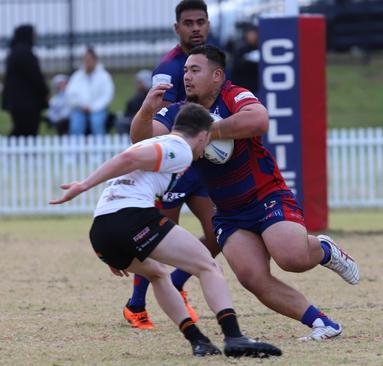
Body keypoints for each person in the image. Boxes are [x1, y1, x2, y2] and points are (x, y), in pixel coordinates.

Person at [131, 44, 360, 341]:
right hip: (228, 212)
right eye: (185, 70)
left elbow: (258, 120)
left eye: (195, 70)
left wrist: (210, 131)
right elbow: (140, 139)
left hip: (266, 196)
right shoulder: (178, 112)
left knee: (291, 258)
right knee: (252, 278)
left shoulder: (233, 95)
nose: (186, 76)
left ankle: (325, 250)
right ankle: (322, 323)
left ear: (217, 76)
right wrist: (147, 110)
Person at [49, 103, 282, 358]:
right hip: (131, 217)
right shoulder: (179, 148)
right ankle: (234, 337)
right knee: (207, 266)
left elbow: (129, 169)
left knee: (158, 274)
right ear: (204, 135)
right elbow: (129, 159)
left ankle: (198, 341)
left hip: (102, 230)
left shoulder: (159, 141)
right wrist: (83, 185)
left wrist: (117, 244)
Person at [122, 0, 218, 330]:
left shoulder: (212, 62)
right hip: (175, 170)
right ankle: (135, 306)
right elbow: (158, 121)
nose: (196, 28)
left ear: (208, 24)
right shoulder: (168, 69)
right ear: (176, 28)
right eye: (188, 22)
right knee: (158, 242)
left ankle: (176, 284)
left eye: (200, 21)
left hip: (202, 167)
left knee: (219, 234)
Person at [0, 24, 49, 137]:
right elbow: (36, 77)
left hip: (17, 102)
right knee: (26, 130)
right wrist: (45, 92)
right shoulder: (24, 53)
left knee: (21, 130)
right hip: (26, 103)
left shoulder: (15, 52)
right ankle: (7, 150)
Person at [66, 46, 115, 136]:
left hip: (98, 109)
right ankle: (75, 150)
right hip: (80, 109)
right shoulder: (77, 76)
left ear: (95, 60)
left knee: (96, 123)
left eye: (89, 59)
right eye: (85, 59)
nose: (87, 62)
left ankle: (100, 149)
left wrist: (93, 108)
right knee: (76, 126)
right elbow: (70, 95)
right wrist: (81, 106)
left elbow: (107, 96)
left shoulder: (104, 76)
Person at [114, 69, 152, 135]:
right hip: (134, 119)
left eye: (139, 82)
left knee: (121, 123)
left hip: (143, 121)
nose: (137, 84)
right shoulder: (138, 96)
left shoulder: (149, 96)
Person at [230, 23, 259, 94]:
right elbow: (237, 67)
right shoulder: (241, 50)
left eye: (254, 34)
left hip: (257, 87)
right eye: (250, 34)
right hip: (244, 88)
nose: (253, 37)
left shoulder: (263, 48)